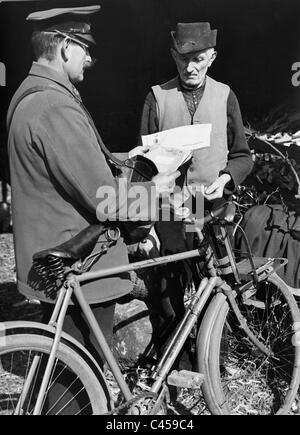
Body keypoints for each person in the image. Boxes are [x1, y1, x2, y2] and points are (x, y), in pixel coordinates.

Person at [7, 5, 179, 368]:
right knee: (78, 382)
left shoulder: (34, 94)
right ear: (66, 47)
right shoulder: (54, 106)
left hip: (57, 257)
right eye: (85, 48)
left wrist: (125, 157)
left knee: (65, 371)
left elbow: (66, 163)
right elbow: (106, 201)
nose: (90, 58)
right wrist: (157, 189)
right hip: (81, 265)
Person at [139, 22, 254, 354]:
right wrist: (146, 226)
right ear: (173, 56)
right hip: (168, 214)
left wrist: (227, 177)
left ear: (212, 57)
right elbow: (141, 167)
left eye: (199, 59)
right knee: (166, 295)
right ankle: (172, 367)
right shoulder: (156, 98)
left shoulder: (225, 96)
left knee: (217, 292)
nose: (191, 67)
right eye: (183, 59)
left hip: (213, 214)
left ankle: (214, 360)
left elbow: (243, 156)